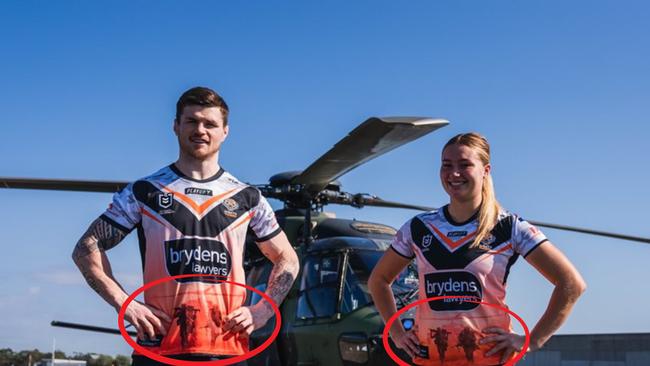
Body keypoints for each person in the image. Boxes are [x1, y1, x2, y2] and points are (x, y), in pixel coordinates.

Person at [72, 87, 299, 365]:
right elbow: (85, 249)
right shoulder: (145, 192)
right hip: (159, 348)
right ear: (176, 126)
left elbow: (287, 259)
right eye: (192, 121)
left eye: (210, 123)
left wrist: (262, 310)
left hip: (227, 349)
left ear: (225, 131)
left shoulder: (247, 197)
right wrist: (125, 303)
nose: (200, 130)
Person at [368, 132, 586, 365]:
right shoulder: (419, 228)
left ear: (486, 170)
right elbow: (378, 280)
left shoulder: (510, 227)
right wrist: (398, 333)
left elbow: (571, 284)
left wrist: (532, 340)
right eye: (446, 165)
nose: (454, 173)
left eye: (465, 165)